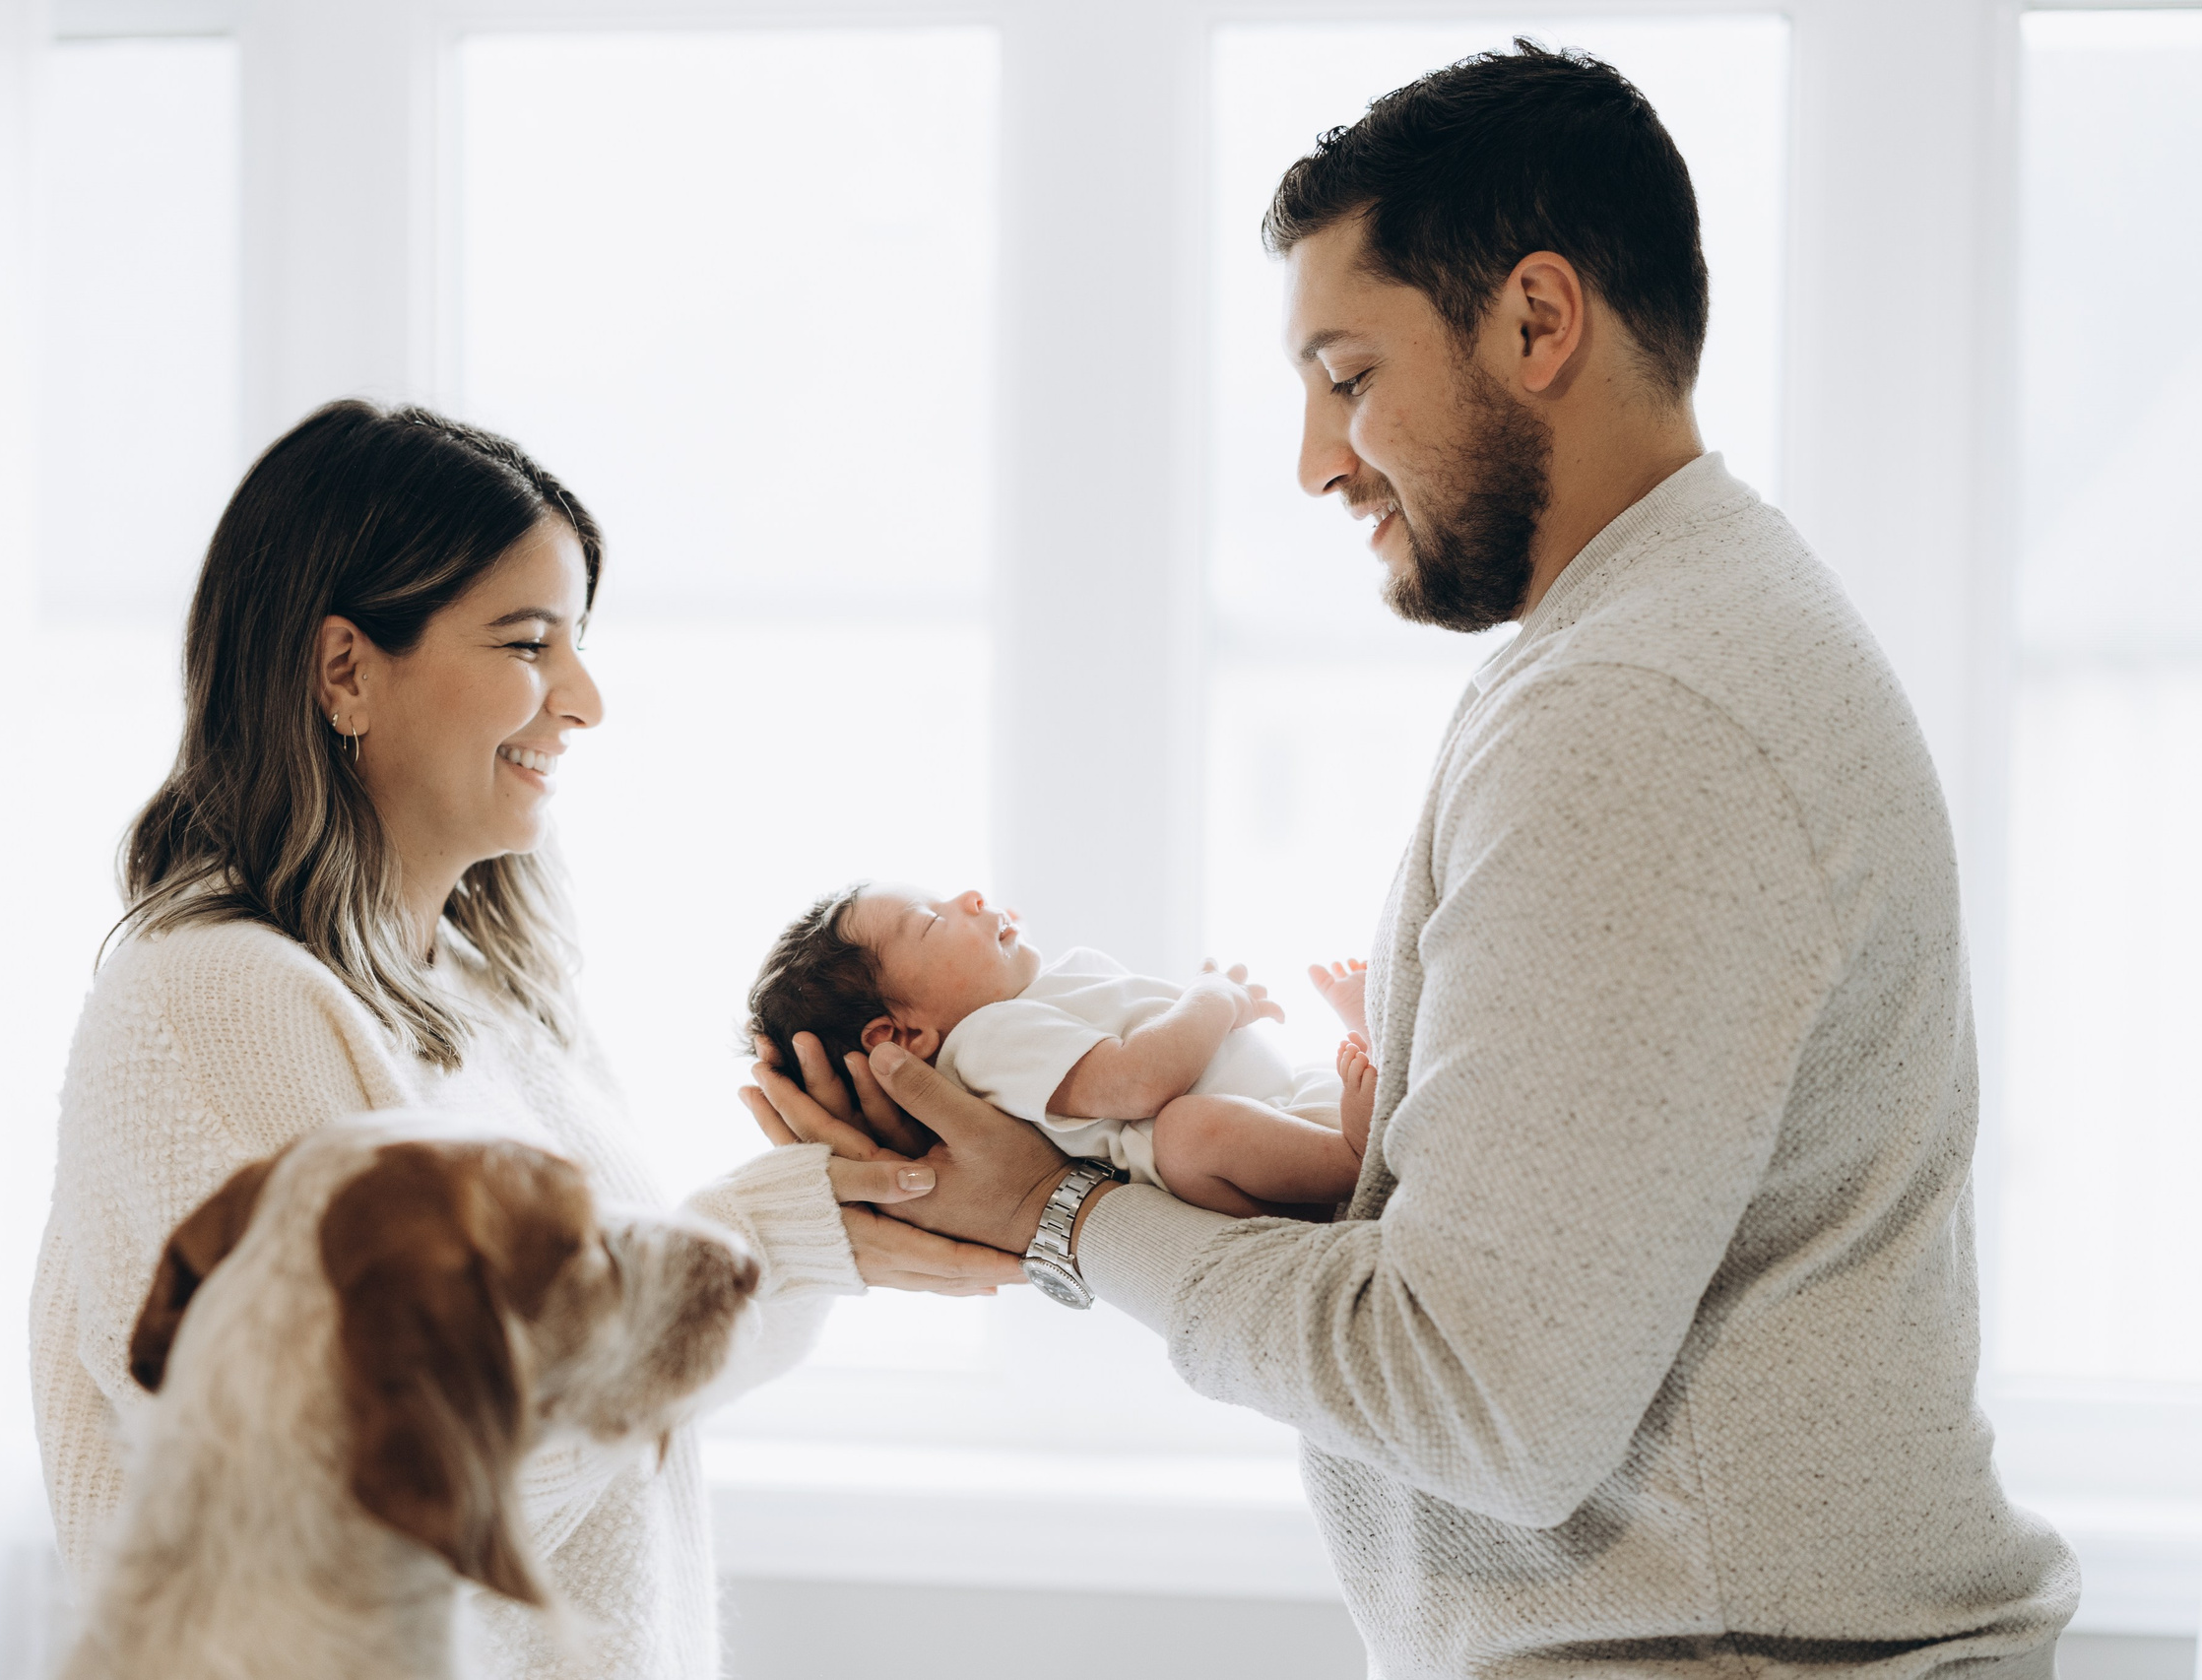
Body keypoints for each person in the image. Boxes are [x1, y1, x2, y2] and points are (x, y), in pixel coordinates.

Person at [748, 41, 2081, 1680]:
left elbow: (1484, 1401)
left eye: (1349, 374)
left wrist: (1060, 1218)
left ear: (1538, 322)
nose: (1318, 457)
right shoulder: (1682, 636)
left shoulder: (1639, 707)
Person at [29, 400, 1019, 1679]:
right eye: (528, 641)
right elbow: (366, 1506)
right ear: (344, 671)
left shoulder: (491, 990)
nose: (585, 699)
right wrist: (751, 1243)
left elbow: (615, 1402)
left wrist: (826, 1211)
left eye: (578, 642)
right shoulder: (212, 1004)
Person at [746, 880, 1379, 1217]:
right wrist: (1213, 998)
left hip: (1280, 1108)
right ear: (903, 1035)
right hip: (1234, 1167)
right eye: (933, 920)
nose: (970, 897)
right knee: (1186, 1131)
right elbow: (1136, 1083)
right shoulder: (985, 1041)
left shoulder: (1041, 995)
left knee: (1336, 1071)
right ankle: (1352, 1159)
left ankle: (1371, 1066)